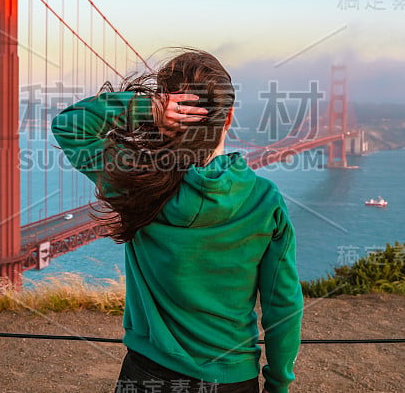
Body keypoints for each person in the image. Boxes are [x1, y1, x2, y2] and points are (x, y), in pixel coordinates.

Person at [51, 49, 302, 393]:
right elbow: (283, 307)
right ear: (228, 118)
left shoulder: (136, 182)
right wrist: (278, 385)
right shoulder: (265, 200)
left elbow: (69, 125)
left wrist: (147, 108)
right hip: (232, 380)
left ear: (165, 112)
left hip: (147, 376)